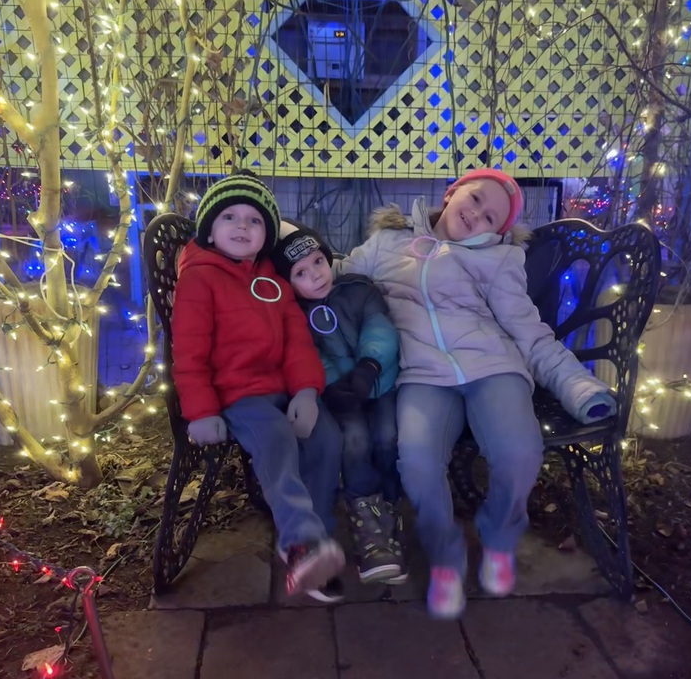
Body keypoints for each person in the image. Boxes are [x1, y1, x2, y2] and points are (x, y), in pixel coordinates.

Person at [340, 168, 617, 619]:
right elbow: (336, 278)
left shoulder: (498, 261)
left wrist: (578, 385)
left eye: (491, 218)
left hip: (493, 368)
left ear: (498, 232)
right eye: (473, 200)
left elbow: (530, 333)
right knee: (417, 461)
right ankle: (446, 559)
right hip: (421, 374)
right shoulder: (387, 243)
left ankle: (499, 538)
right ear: (451, 193)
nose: (476, 216)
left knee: (519, 452)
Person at [170, 172, 345, 598]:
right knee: (277, 441)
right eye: (229, 216)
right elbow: (188, 355)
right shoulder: (199, 278)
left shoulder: (270, 276)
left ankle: (316, 536)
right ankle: (300, 543)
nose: (242, 226)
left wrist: (306, 390)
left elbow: (297, 341)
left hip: (282, 389)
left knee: (327, 438)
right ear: (209, 228)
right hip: (236, 396)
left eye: (254, 220)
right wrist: (202, 412)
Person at [273, 221, 406, 585]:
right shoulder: (295, 314)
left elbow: (379, 326)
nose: (315, 275)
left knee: (388, 437)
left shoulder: (358, 289)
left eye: (318, 261)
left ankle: (389, 511)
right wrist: (331, 386)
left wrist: (369, 365)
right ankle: (369, 532)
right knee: (355, 441)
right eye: (301, 273)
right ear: (289, 283)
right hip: (340, 396)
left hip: (379, 383)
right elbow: (306, 354)